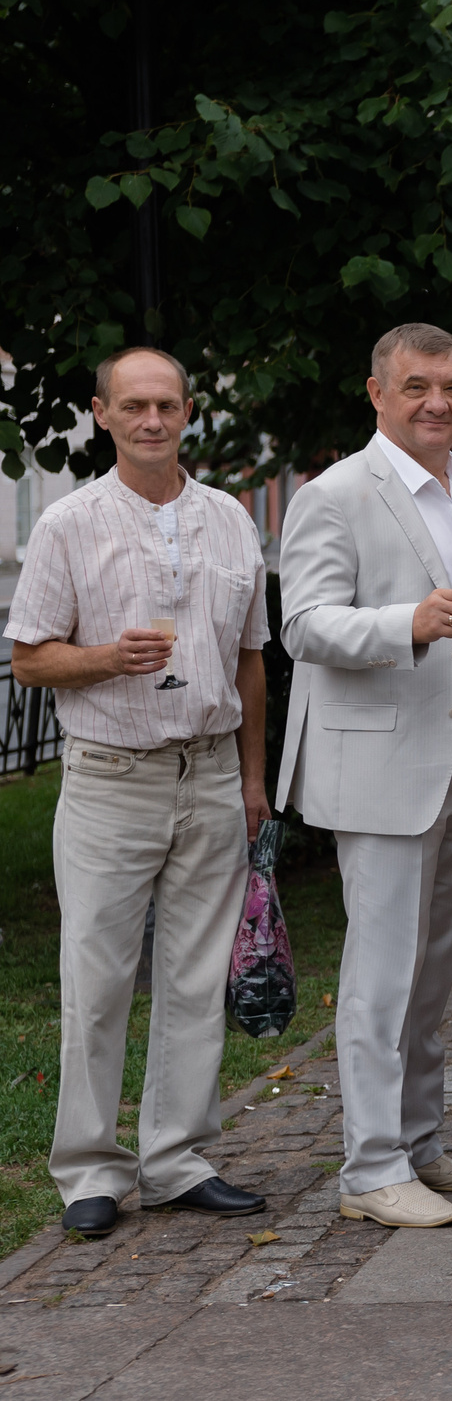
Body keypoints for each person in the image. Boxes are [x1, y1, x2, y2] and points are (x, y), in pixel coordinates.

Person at [7, 347, 274, 1236]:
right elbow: (29, 656)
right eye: (135, 405)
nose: (153, 419)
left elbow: (249, 658)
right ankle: (89, 1166)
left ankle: (177, 1156)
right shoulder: (69, 522)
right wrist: (105, 659)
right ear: (103, 413)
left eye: (167, 404)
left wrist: (251, 777)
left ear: (189, 411)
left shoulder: (232, 519)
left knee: (197, 978)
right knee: (98, 976)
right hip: (111, 777)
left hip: (206, 771)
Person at [275, 323, 452, 1229]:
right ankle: (369, 1167)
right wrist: (407, 623)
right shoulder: (336, 493)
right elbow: (303, 625)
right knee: (380, 973)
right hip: (379, 760)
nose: (438, 403)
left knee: (433, 967)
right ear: (375, 393)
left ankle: (418, 1141)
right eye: (417, 386)